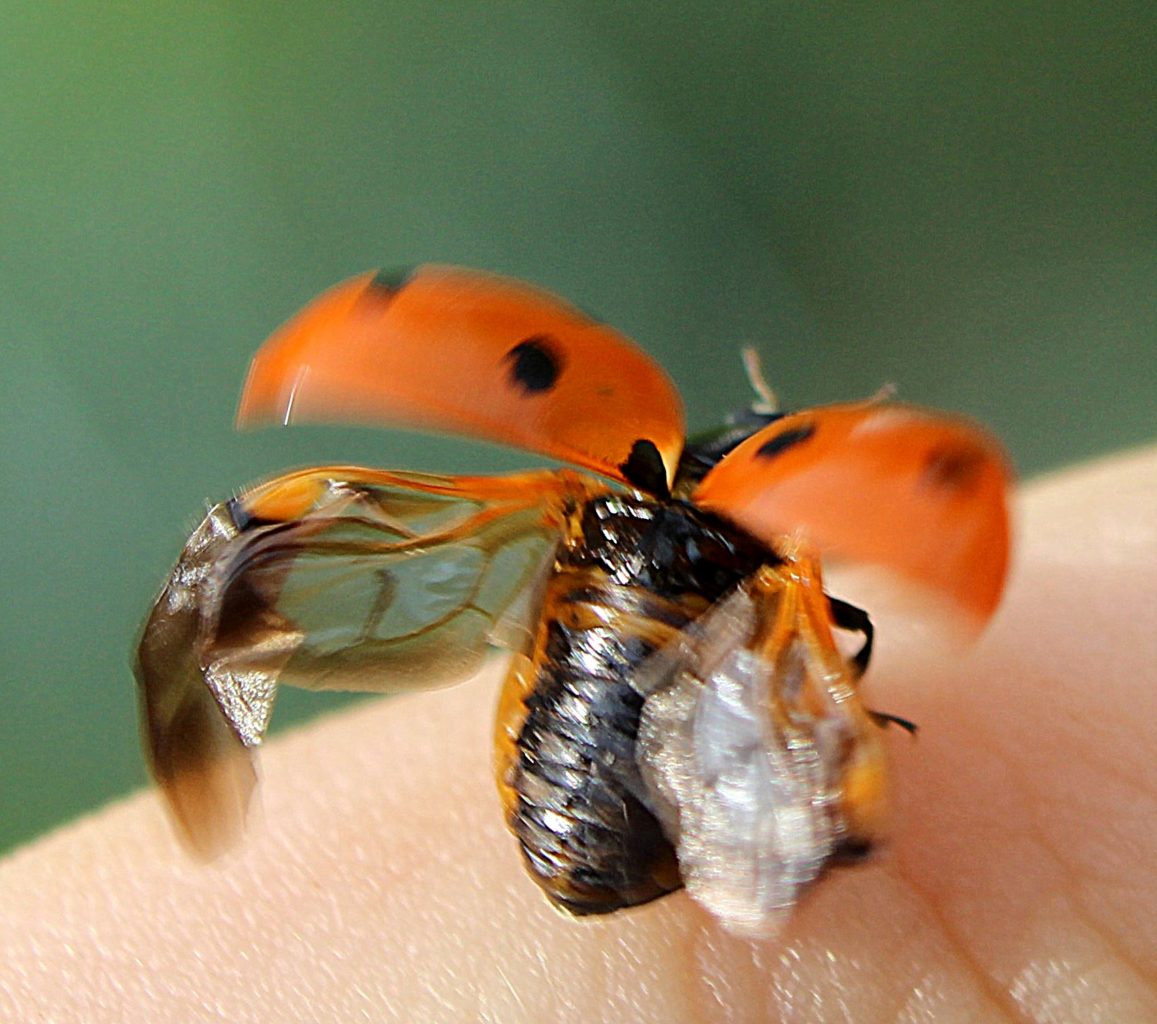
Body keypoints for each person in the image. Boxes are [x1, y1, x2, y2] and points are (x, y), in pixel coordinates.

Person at [3, 449, 1155, 1022]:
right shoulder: (774, 578)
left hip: (565, 788)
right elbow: (823, 647)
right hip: (617, 806)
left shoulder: (584, 516)